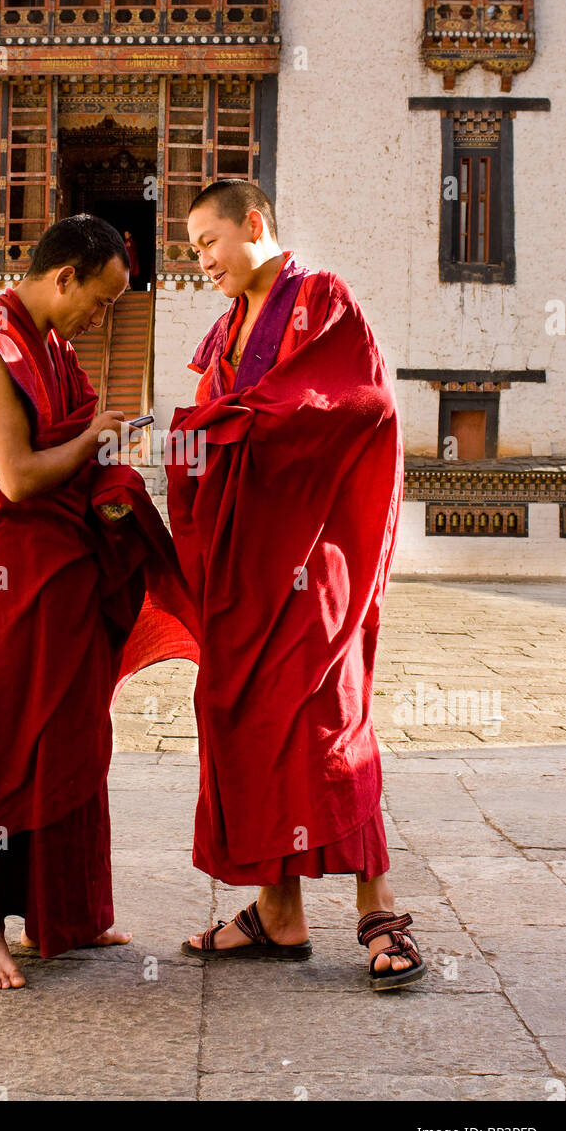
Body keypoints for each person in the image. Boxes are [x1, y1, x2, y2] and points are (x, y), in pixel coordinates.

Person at [165, 180, 426, 991]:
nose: (200, 260)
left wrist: (241, 418)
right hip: (249, 561)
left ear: (255, 223)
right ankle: (278, 912)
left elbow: (361, 402)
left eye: (209, 241)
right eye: (192, 248)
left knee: (328, 716)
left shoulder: (322, 298)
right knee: (244, 712)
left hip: (316, 556)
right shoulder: (223, 333)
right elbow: (216, 430)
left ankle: (375, 908)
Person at [0, 214, 199, 991]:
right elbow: (15, 478)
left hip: (61, 570)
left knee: (70, 732)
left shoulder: (53, 351)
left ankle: (63, 911)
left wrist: (116, 448)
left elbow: (83, 434)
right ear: (64, 278)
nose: (102, 317)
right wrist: (94, 443)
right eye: (103, 300)